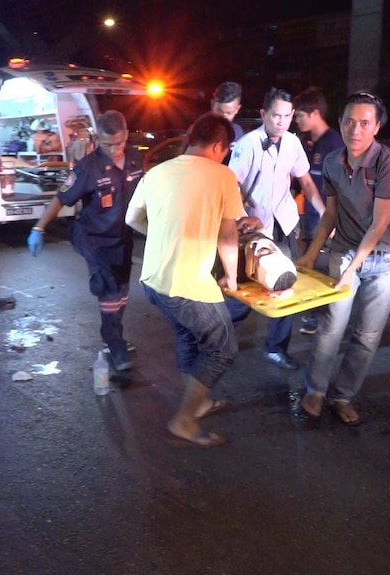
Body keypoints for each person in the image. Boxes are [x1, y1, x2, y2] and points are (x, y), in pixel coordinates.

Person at [125, 112, 243, 448]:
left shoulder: (158, 172)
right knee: (222, 349)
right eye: (226, 150)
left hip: (152, 281)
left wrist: (163, 233)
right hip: (186, 284)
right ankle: (184, 419)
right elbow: (228, 235)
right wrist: (231, 278)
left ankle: (199, 401)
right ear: (220, 146)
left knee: (188, 334)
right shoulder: (222, 175)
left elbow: (132, 218)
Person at [296, 92, 390, 425]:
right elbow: (330, 212)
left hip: (386, 258)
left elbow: (380, 222)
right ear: (340, 122)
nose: (355, 130)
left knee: (367, 335)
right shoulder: (332, 162)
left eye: (364, 123)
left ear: (377, 127)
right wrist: (310, 255)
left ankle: (343, 395)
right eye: (348, 121)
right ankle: (315, 390)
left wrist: (352, 271)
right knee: (331, 326)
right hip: (344, 250)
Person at [27, 110, 144, 373]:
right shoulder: (87, 168)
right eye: (106, 144)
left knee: (122, 290)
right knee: (108, 288)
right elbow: (61, 198)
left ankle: (115, 335)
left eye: (118, 143)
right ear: (97, 138)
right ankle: (115, 344)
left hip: (122, 237)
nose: (114, 150)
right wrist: (39, 228)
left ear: (125, 134)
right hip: (92, 238)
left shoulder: (136, 158)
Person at [227, 87, 326, 370]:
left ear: (292, 116)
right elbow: (231, 186)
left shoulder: (293, 143)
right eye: (275, 116)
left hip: (285, 223)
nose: (280, 121)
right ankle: (214, 335)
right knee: (248, 291)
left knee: (286, 284)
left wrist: (323, 213)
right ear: (263, 114)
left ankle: (276, 348)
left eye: (286, 116)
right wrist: (242, 218)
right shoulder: (247, 145)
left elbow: (305, 181)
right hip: (255, 228)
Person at [293, 86, 344, 335]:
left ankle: (322, 319)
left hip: (327, 220)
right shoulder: (311, 144)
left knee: (324, 269)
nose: (297, 119)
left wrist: (332, 220)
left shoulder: (333, 144)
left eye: (300, 114)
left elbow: (341, 185)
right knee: (310, 266)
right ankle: (313, 315)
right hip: (313, 219)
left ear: (314, 113)